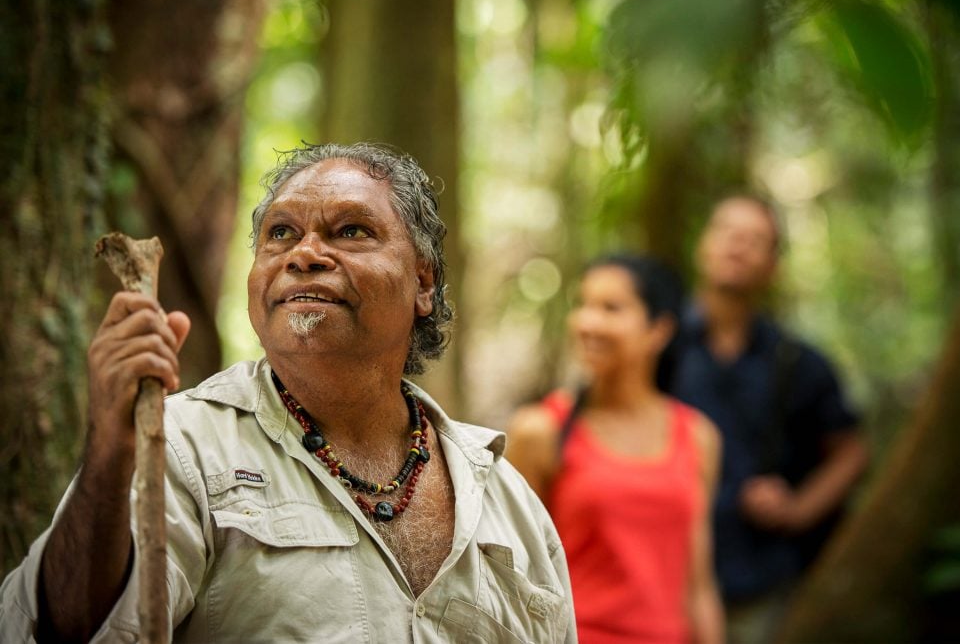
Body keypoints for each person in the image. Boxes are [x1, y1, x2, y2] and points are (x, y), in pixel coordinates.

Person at [0, 142, 576, 643]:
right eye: (281, 233)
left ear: (422, 282)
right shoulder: (181, 446)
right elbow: (65, 628)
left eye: (350, 231)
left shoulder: (504, 497)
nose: (304, 254)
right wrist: (108, 450)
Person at [670, 195, 869, 644]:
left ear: (773, 265)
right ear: (703, 245)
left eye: (755, 240)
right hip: (665, 582)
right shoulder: (658, 347)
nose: (737, 246)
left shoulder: (798, 362)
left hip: (757, 583)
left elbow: (851, 452)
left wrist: (798, 508)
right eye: (726, 232)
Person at [505, 254, 725, 644]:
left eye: (611, 308)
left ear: (659, 330)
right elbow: (510, 580)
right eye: (584, 305)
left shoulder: (698, 436)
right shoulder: (540, 431)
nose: (588, 322)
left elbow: (698, 586)